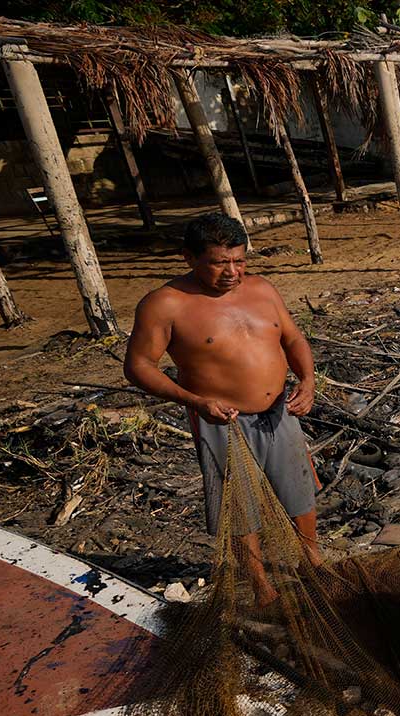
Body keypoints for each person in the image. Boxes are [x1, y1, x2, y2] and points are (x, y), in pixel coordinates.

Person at [124, 212, 321, 606]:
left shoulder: (262, 289)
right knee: (239, 503)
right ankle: (260, 583)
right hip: (221, 420)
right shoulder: (166, 304)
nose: (232, 272)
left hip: (279, 410)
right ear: (189, 258)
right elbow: (138, 366)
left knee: (299, 489)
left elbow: (294, 337)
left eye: (240, 260)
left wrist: (308, 380)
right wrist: (194, 401)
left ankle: (311, 561)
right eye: (219, 263)